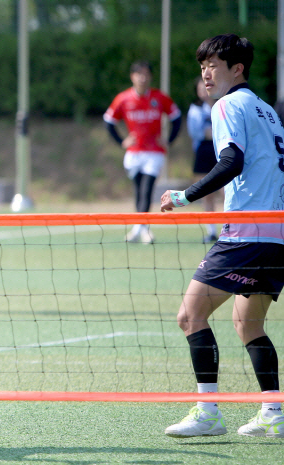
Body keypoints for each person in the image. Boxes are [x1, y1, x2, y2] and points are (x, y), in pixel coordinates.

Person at [161, 34, 284, 439]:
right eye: (202, 67)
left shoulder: (228, 104)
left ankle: (208, 411)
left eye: (214, 65)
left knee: (189, 315)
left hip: (246, 233)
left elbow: (231, 160)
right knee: (249, 324)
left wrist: (184, 195)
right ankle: (273, 411)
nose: (206, 73)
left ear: (237, 69)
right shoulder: (267, 110)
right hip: (276, 235)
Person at [104, 60, 182, 244]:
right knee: (139, 191)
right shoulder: (123, 98)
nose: (143, 77)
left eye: (146, 74)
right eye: (139, 74)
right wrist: (121, 141)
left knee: (146, 190)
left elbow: (176, 118)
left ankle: (142, 229)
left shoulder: (159, 97)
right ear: (132, 76)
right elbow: (108, 121)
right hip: (133, 154)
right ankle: (140, 227)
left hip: (154, 153)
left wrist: (168, 141)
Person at [187, 76, 220, 243]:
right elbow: (196, 133)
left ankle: (232, 229)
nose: (203, 91)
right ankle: (211, 230)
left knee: (227, 191)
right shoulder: (194, 110)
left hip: (221, 153)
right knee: (207, 193)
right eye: (200, 88)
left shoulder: (222, 106)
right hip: (203, 153)